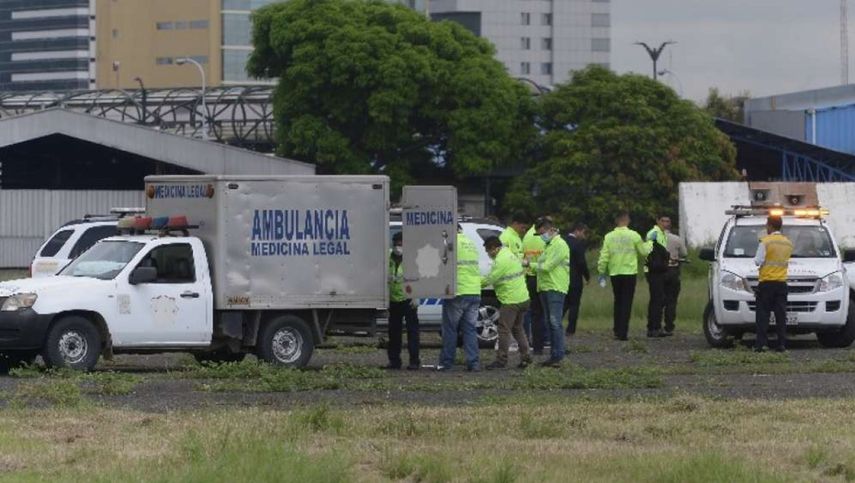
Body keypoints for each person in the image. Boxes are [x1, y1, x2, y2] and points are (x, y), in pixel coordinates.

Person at [597, 212, 652, 341]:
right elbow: (644, 251)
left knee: (618, 301)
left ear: (616, 221)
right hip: (629, 273)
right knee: (626, 302)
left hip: (615, 273)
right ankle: (623, 332)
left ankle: (616, 329)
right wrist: (650, 243)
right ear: (627, 220)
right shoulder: (633, 235)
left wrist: (601, 271)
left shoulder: (609, 236)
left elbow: (604, 256)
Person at [525, 217, 570, 367]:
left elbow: (547, 266)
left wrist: (527, 263)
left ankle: (558, 355)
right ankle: (554, 355)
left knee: (555, 322)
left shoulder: (560, 245)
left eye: (541, 233)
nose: (541, 237)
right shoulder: (549, 245)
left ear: (548, 229)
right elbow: (541, 264)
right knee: (550, 323)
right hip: (545, 287)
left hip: (555, 287)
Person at [481, 236, 531, 369]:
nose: (488, 254)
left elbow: (491, 279)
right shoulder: (509, 254)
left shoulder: (500, 260)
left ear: (494, 248)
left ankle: (501, 360)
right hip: (523, 298)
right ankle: (526, 357)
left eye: (488, 251)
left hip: (511, 301)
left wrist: (474, 284)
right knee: (518, 329)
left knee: (503, 330)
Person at [438, 227, 482, 371]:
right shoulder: (470, 243)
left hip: (458, 292)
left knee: (450, 329)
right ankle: (473, 363)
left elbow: (442, 264)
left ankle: (447, 363)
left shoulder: (450, 243)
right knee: (470, 329)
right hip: (474, 291)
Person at [753, 216, 793, 353]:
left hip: (766, 283)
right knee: (781, 315)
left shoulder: (765, 241)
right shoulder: (788, 243)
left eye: (767, 225)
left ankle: (761, 344)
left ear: (770, 226)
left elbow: (758, 261)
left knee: (763, 315)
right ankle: (781, 344)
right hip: (781, 283)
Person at [386, 232, 420, 370]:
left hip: (408, 300)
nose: (398, 246)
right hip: (393, 300)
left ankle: (414, 361)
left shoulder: (411, 258)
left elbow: (418, 278)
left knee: (412, 332)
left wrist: (416, 296)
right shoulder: (388, 257)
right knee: (394, 333)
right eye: (396, 243)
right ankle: (394, 361)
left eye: (401, 244)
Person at [522, 219, 547, 353]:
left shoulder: (526, 237)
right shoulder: (543, 238)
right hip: (541, 276)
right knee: (544, 313)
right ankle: (544, 342)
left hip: (529, 277)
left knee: (534, 314)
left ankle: (536, 347)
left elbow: (524, 256)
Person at [645, 215, 671, 338]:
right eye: (663, 221)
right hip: (654, 270)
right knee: (656, 300)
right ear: (657, 221)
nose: (666, 223)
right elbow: (649, 253)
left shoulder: (662, 233)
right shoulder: (653, 233)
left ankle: (656, 326)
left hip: (660, 269)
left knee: (659, 299)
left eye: (667, 221)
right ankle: (653, 327)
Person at [563, 223, 590, 337]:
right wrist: (587, 276)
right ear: (577, 231)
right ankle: (570, 329)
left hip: (562, 278)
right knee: (574, 304)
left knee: (564, 303)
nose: (584, 236)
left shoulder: (562, 241)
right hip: (575, 279)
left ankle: (555, 325)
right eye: (584, 233)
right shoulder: (577, 244)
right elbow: (581, 262)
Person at [664, 230, 688, 336]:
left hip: (658, 272)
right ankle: (669, 326)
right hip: (672, 270)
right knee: (671, 300)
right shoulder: (676, 239)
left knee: (657, 300)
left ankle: (655, 326)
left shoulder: (652, 238)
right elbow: (684, 253)